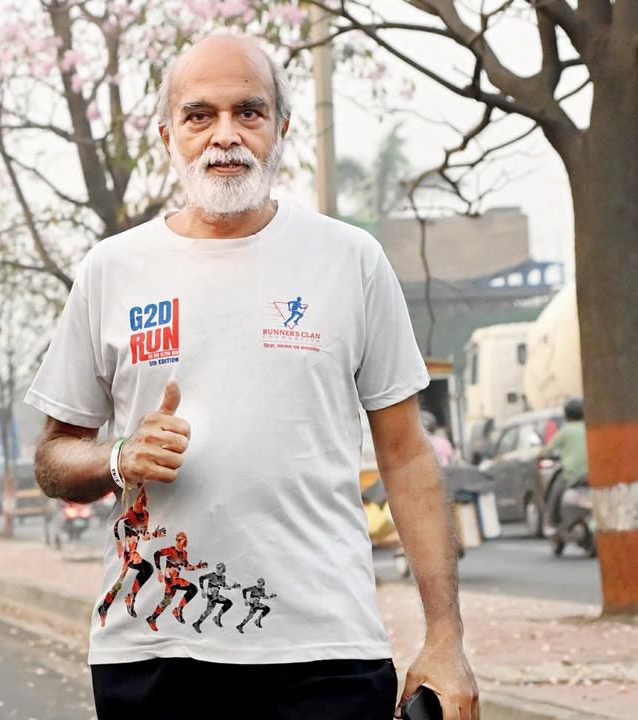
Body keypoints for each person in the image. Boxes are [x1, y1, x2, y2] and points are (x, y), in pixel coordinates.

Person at [27, 36, 479, 720]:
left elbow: (406, 454)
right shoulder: (110, 270)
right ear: (167, 135)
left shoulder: (350, 259)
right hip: (153, 650)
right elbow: (55, 457)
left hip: (327, 652)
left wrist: (445, 636)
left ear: (281, 128)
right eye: (199, 115)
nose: (225, 135)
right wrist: (119, 457)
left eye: (249, 111)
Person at [541, 397, 588, 526]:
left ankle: (553, 520)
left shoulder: (565, 430)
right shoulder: (589, 427)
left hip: (572, 474)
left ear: (566, 415)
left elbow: (547, 450)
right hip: (592, 473)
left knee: (554, 493)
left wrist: (544, 454)